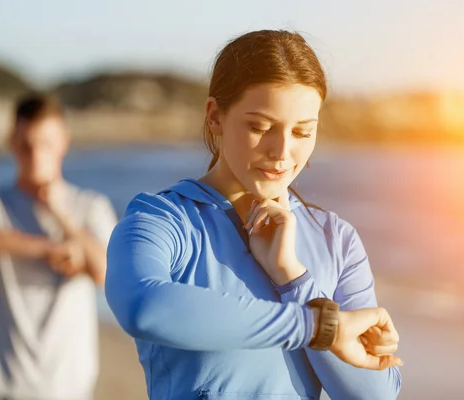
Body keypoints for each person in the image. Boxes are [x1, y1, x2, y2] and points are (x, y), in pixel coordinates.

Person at [105, 30, 402, 400]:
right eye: (260, 127)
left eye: (302, 132)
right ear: (215, 117)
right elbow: (143, 308)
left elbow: (374, 395)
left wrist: (292, 277)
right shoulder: (164, 221)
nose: (282, 151)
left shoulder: (334, 239)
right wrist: (317, 326)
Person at [0, 94, 118, 400]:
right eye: (26, 145)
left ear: (64, 142)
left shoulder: (90, 207)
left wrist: (60, 215)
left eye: (46, 144)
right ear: (12, 142)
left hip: (62, 386)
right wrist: (48, 249)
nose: (36, 155)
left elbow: (107, 273)